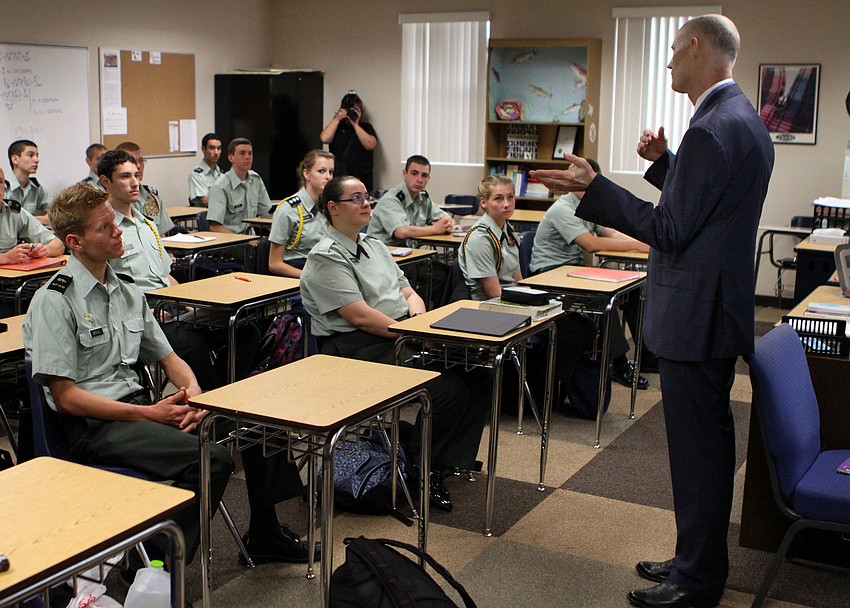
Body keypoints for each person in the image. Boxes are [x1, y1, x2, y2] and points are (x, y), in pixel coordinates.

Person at [531, 15, 774, 608]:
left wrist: (597, 188)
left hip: (699, 317)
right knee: (706, 453)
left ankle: (696, 582)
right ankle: (695, 560)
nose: (667, 62)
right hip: (716, 310)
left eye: (671, 50)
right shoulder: (738, 119)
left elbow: (670, 229)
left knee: (700, 456)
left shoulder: (713, 128)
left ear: (696, 46)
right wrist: (666, 165)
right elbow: (708, 207)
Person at [25, 181, 319, 567]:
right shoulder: (55, 300)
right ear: (75, 242)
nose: (118, 231)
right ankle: (160, 567)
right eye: (104, 228)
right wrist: (150, 414)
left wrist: (191, 396)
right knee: (213, 461)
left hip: (138, 414)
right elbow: (65, 398)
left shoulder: (126, 291)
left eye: (114, 222)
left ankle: (263, 531)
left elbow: (168, 356)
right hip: (94, 427)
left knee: (254, 424)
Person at [300, 175, 490, 513]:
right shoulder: (324, 257)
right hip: (355, 349)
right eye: (355, 198)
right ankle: (421, 468)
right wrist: (413, 334)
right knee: (446, 390)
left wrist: (418, 322)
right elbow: (358, 316)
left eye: (366, 197)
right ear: (333, 208)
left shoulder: (372, 244)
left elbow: (408, 291)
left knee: (478, 373)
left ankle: (439, 462)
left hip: (400, 333)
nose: (365, 204)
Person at [459, 174, 592, 406]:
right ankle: (539, 395)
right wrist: (533, 307)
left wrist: (540, 302)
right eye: (498, 199)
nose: (506, 204)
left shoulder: (508, 232)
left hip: (513, 302)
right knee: (570, 333)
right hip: (491, 310)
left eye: (510, 197)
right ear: (483, 202)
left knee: (582, 325)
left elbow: (520, 281)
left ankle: (549, 389)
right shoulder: (480, 238)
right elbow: (494, 294)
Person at [530, 158, 652, 388]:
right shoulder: (563, 208)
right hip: (548, 273)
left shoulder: (588, 204)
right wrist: (637, 246)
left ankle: (647, 356)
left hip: (573, 270)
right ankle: (618, 363)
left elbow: (610, 233)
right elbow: (591, 244)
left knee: (633, 292)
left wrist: (641, 240)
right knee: (605, 298)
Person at [367, 154, 453, 305]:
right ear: (404, 174)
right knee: (439, 275)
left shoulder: (423, 198)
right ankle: (414, 309)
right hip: (386, 259)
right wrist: (435, 229)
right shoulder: (391, 199)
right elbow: (401, 231)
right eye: (414, 173)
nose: (419, 179)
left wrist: (447, 222)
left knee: (449, 271)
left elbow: (444, 217)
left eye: (424, 175)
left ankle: (426, 310)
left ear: (428, 179)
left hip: (411, 256)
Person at [0, 166, 64, 316]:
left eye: (0, 182)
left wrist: (44, 250)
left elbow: (58, 244)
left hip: (8, 292)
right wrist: (5, 258)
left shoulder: (13, 211)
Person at [267, 150, 334, 277]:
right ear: (306, 174)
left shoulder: (329, 207)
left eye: (331, 172)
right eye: (321, 171)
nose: (328, 177)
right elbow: (274, 264)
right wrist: (309, 277)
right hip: (299, 273)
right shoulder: (288, 210)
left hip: (325, 268)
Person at [207, 138, 271, 234]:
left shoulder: (255, 179)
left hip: (251, 238)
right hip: (231, 242)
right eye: (242, 153)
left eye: (250, 153)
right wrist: (243, 241)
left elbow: (264, 214)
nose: (247, 157)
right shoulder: (220, 186)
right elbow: (214, 227)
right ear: (231, 158)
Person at [319, 91, 378, 193]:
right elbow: (324, 138)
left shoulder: (365, 127)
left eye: (355, 110)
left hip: (360, 179)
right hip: (338, 179)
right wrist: (337, 119)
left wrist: (355, 124)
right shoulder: (338, 126)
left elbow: (370, 145)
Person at [115, 141, 175, 236]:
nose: (138, 166)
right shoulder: (114, 200)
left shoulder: (152, 197)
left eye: (141, 161)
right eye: (132, 161)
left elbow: (161, 236)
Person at [7, 139, 50, 225]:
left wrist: (30, 220)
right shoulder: (3, 186)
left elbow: (56, 215)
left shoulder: (36, 188)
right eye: (31, 155)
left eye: (37, 155)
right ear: (15, 159)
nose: (37, 160)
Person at [188, 133, 223, 207]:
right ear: (203, 149)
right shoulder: (196, 174)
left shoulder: (222, 174)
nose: (216, 152)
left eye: (219, 148)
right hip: (207, 216)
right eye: (212, 148)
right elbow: (206, 201)